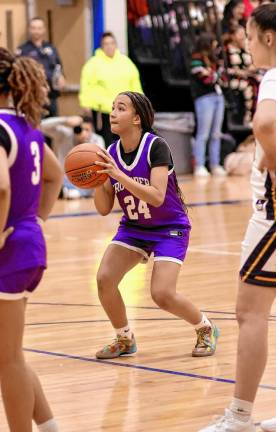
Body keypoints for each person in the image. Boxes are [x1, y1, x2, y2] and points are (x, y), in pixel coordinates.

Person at [198, 1, 276, 431]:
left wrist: (272, 155)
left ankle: (238, 418)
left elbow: (263, 122)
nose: (244, 41)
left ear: (268, 37)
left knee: (250, 313)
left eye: (248, 33)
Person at [92, 91, 219, 359]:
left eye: (121, 108)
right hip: (135, 227)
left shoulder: (156, 146)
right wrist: (94, 179)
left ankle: (205, 328)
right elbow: (104, 209)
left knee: (162, 293)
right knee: (104, 279)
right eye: (113, 107)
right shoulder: (111, 152)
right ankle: (124, 339)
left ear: (137, 118)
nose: (113, 113)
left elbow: (157, 196)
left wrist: (118, 174)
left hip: (169, 226)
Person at [0, 48, 63, 431]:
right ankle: (50, 427)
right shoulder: (25, 127)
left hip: (10, 249)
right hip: (26, 241)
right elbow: (54, 176)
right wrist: (33, 219)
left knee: (8, 361)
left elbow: (1, 188)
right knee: (10, 356)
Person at [79, 32, 143, 148]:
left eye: (112, 43)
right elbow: (86, 85)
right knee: (106, 142)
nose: (109, 46)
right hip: (103, 111)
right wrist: (85, 104)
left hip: (124, 111)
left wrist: (140, 103)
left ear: (116, 45)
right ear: (102, 46)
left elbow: (135, 84)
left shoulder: (126, 63)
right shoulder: (93, 64)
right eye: (106, 44)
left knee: (125, 140)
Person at [40, 115, 105, 199]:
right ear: (75, 129)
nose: (84, 133)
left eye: (87, 130)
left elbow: (100, 165)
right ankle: (66, 192)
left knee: (93, 185)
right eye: (81, 129)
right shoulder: (65, 134)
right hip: (64, 179)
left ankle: (68, 192)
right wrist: (65, 120)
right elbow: (41, 126)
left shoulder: (97, 140)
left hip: (86, 180)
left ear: (92, 130)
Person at [190, 33, 227, 177]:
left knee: (216, 134)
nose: (216, 46)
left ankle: (215, 164)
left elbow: (222, 78)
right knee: (203, 133)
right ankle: (199, 165)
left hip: (218, 96)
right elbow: (206, 78)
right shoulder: (196, 59)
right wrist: (215, 74)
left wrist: (214, 74)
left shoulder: (215, 59)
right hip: (205, 98)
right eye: (213, 43)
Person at [16, 16, 65, 118]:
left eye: (39, 28)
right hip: (33, 97)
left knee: (53, 128)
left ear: (44, 30)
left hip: (51, 96)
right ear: (29, 29)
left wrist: (61, 77)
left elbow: (58, 66)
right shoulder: (23, 50)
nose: (36, 31)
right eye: (33, 28)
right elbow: (19, 74)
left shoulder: (50, 48)